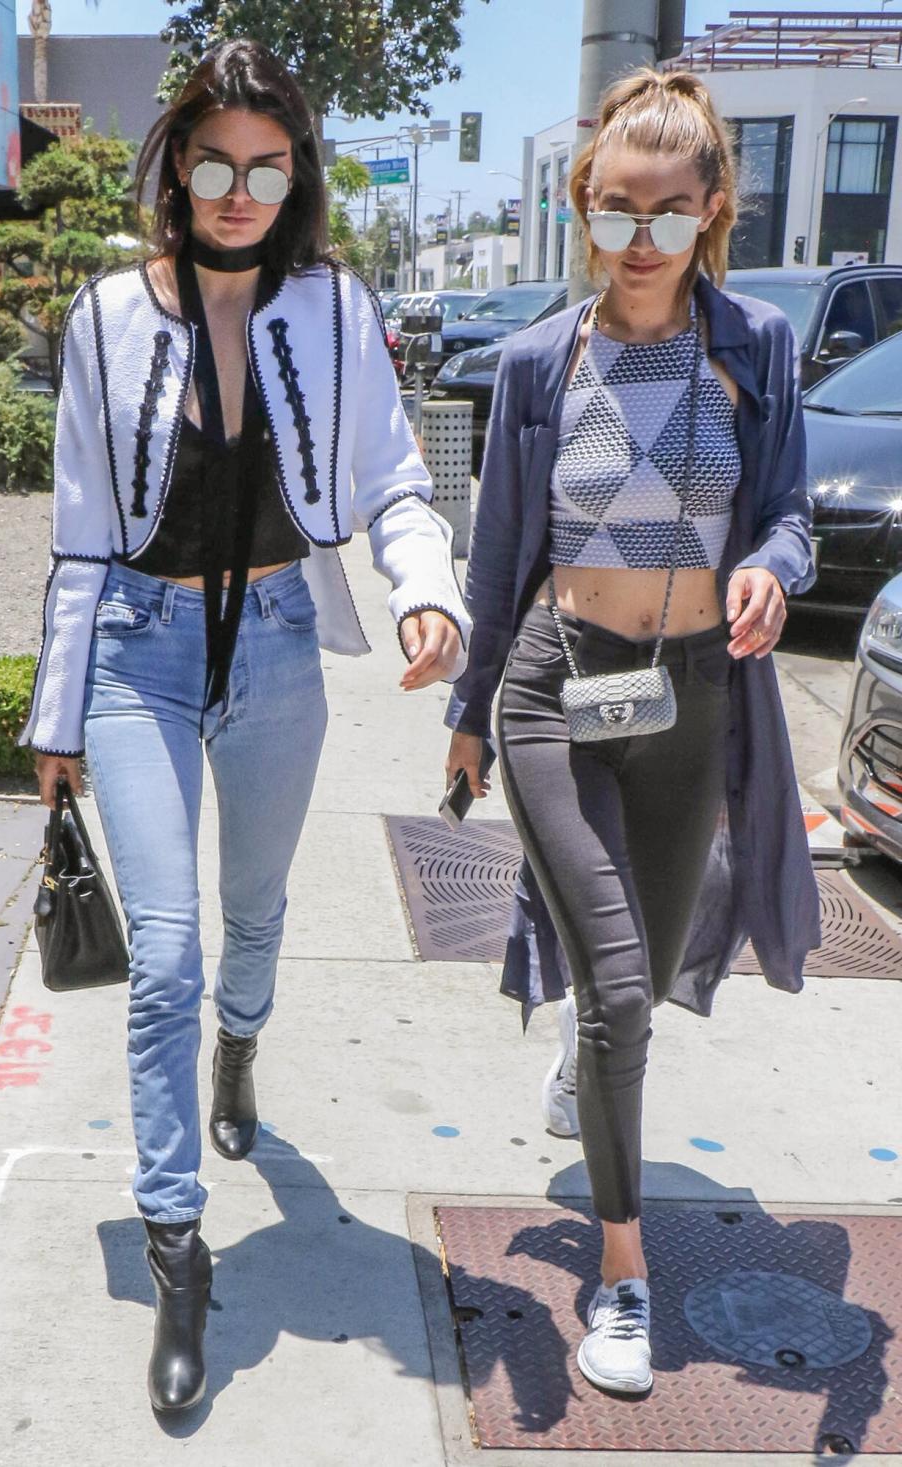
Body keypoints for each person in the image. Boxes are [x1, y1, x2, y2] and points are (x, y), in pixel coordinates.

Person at [20, 40, 469, 1414]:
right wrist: (56, 712)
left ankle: (244, 1044)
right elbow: (81, 535)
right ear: (174, 165)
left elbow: (395, 474)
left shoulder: (335, 305)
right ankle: (175, 1246)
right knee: (166, 953)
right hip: (139, 660)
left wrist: (424, 592)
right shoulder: (103, 315)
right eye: (213, 161)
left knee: (254, 913)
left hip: (279, 644)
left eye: (266, 166)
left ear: (297, 174)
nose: (237, 190)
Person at [445, 68, 818, 1397]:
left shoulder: (755, 345)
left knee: (641, 980)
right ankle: (622, 1271)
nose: (642, 238)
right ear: (579, 207)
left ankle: (587, 1052)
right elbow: (498, 563)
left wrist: (774, 565)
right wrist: (467, 718)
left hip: (689, 698)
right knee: (618, 991)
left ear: (713, 208)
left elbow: (785, 512)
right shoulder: (542, 358)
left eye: (670, 209)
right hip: (556, 689)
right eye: (616, 210)